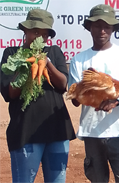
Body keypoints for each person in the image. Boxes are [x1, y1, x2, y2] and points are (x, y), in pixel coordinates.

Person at [68, 4, 119, 183]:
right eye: (97, 26)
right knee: (97, 180)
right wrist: (84, 89)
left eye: (107, 26)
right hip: (92, 131)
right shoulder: (79, 59)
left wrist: (115, 101)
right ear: (89, 28)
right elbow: (75, 101)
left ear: (113, 29)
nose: (102, 30)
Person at [0, 9, 76, 183]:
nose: (39, 38)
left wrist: (46, 62)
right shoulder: (11, 53)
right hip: (26, 133)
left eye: (44, 34)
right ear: (25, 31)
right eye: (35, 32)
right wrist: (27, 67)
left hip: (57, 131)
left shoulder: (54, 52)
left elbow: (63, 84)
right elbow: (10, 93)